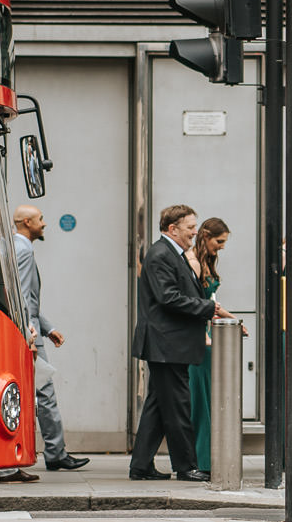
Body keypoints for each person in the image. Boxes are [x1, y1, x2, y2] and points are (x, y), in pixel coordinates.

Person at [129, 204, 224, 482]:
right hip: (166, 345)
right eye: (190, 227)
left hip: (168, 344)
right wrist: (206, 308)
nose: (195, 232)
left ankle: (141, 465)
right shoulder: (161, 255)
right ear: (173, 229)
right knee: (179, 407)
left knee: (158, 407)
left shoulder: (172, 254)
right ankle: (186, 466)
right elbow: (168, 298)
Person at [13, 205, 90, 472]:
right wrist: (31, 334)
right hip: (27, 334)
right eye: (40, 220)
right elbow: (22, 297)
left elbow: (28, 299)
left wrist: (47, 326)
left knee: (38, 392)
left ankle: (53, 451)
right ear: (26, 222)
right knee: (44, 392)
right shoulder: (23, 250)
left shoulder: (19, 248)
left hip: (31, 329)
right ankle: (55, 452)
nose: (44, 224)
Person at [185, 218, 246, 474]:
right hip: (201, 339)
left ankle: (208, 458)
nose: (221, 247)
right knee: (201, 401)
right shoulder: (193, 261)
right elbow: (197, 304)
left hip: (208, 335)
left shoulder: (205, 261)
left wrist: (232, 321)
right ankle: (202, 459)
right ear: (205, 236)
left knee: (208, 400)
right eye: (218, 242)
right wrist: (230, 320)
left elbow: (211, 303)